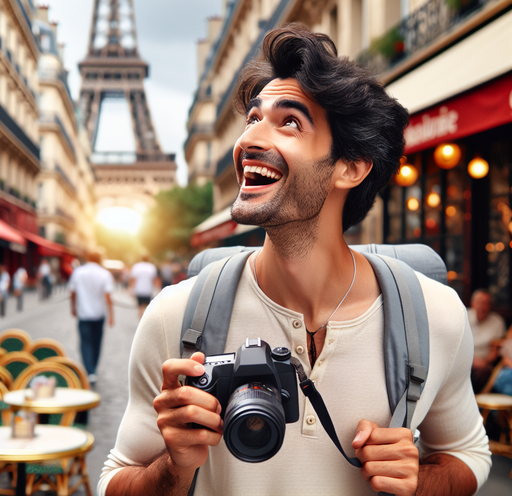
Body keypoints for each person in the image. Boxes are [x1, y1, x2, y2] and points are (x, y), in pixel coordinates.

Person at [99, 25, 491, 496]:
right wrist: (174, 466)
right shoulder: (176, 316)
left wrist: (420, 478)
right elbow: (113, 478)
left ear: (351, 167)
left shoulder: (435, 316)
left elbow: (470, 454)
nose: (248, 141)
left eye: (289, 122)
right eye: (252, 118)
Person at [68, 252, 114, 384]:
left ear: (88, 258)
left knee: (85, 342)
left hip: (84, 314)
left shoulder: (78, 272)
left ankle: (89, 370)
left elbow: (72, 292)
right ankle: (92, 369)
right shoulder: (104, 274)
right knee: (97, 343)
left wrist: (73, 308)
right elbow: (108, 297)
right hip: (99, 314)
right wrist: (111, 315)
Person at [467, 288, 506, 393]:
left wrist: (485, 362)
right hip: (464, 358)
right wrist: (471, 360)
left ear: (490, 306)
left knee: (482, 372)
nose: (482, 306)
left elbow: (496, 350)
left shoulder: (497, 322)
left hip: (484, 363)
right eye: (479, 302)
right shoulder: (464, 316)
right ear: (472, 303)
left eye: (486, 303)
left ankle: (475, 403)